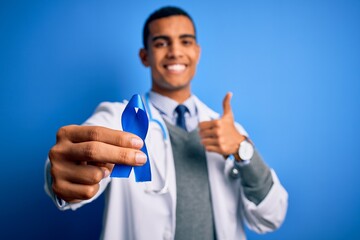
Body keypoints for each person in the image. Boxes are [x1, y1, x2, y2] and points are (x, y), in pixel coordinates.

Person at [44, 6, 288, 240]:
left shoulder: (229, 131)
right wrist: (66, 176)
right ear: (144, 56)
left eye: (186, 41)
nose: (175, 52)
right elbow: (80, 155)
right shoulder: (119, 119)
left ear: (197, 52)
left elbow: (271, 217)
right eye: (161, 43)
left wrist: (244, 151)